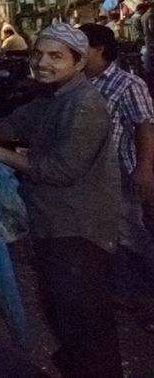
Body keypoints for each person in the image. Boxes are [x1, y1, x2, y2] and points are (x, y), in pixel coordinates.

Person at [0, 23, 122, 377]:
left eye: (56, 56)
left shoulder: (85, 104)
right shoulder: (51, 98)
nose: (42, 63)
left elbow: (60, 170)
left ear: (79, 61)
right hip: (52, 225)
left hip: (79, 231)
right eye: (38, 54)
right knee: (63, 317)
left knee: (87, 327)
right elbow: (16, 123)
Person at [79, 23, 154, 334]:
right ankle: (125, 294)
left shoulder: (127, 84)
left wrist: (145, 168)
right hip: (91, 177)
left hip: (121, 175)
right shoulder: (82, 83)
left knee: (135, 238)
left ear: (99, 50)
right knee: (110, 238)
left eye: (82, 47)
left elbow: (145, 126)